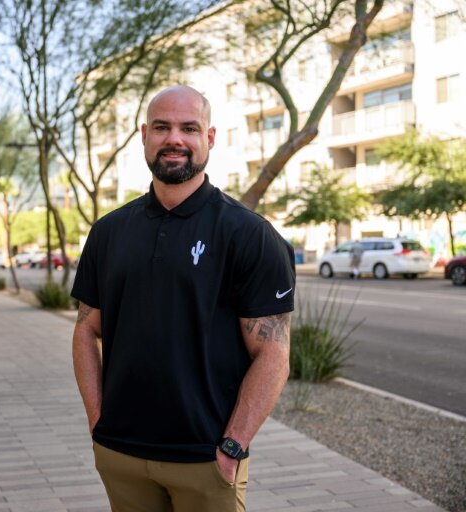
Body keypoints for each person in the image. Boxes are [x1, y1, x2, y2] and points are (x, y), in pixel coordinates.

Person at [71, 85, 295, 512]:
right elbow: (86, 328)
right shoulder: (109, 232)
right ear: (144, 135)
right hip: (122, 455)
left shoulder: (248, 234)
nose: (174, 138)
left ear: (209, 138)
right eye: (162, 127)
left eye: (188, 128)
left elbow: (273, 353)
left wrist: (233, 445)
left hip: (205, 459)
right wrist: (98, 423)